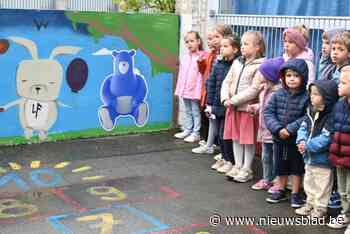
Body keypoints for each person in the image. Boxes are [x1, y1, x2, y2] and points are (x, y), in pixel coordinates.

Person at [221, 31, 266, 181]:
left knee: (247, 140)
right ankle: (238, 165)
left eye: (246, 44)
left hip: (247, 109)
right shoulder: (237, 62)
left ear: (257, 47)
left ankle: (247, 168)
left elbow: (254, 89)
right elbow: (227, 81)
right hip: (232, 108)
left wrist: (233, 101)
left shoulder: (261, 66)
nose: (242, 47)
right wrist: (225, 98)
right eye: (242, 44)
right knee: (235, 138)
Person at [264, 59, 309, 208]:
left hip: (296, 139)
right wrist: (278, 129)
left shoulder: (306, 97)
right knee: (280, 166)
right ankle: (280, 189)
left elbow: (306, 116)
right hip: (279, 139)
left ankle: (296, 193)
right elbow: (268, 112)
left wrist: (290, 129)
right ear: (283, 77)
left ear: (303, 78)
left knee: (297, 167)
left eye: (296, 76)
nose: (291, 78)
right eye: (288, 75)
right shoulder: (278, 94)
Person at [196, 35, 240, 173]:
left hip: (228, 105)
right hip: (217, 104)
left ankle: (231, 161)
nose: (222, 49)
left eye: (225, 46)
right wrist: (209, 103)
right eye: (221, 46)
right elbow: (211, 82)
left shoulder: (236, 65)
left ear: (235, 49)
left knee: (225, 135)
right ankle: (225, 158)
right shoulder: (219, 63)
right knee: (221, 135)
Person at [295, 79, 338, 218]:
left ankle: (320, 209)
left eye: (316, 94)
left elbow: (326, 138)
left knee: (322, 186)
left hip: (323, 159)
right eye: (311, 93)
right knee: (309, 182)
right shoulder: (310, 111)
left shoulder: (331, 116)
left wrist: (307, 145)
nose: (312, 97)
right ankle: (310, 203)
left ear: (327, 97)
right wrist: (301, 140)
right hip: (308, 157)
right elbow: (303, 127)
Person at [248, 57, 284, 190]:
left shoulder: (278, 92)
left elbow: (274, 110)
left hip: (272, 132)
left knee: (275, 158)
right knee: (266, 157)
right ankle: (267, 178)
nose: (260, 76)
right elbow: (265, 106)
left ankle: (276, 180)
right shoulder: (265, 90)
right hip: (264, 131)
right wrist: (256, 108)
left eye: (263, 74)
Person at [197, 25, 233, 147]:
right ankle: (208, 142)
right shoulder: (211, 54)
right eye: (211, 38)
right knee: (209, 117)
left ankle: (214, 145)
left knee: (218, 121)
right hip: (209, 90)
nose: (213, 40)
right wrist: (200, 62)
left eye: (217, 37)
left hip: (220, 94)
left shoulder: (227, 59)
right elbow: (206, 73)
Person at [328, 66, 350, 231]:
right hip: (340, 156)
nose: (338, 85)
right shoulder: (339, 105)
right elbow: (333, 127)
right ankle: (346, 214)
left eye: (343, 83)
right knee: (342, 190)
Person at [174, 31, 204, 142]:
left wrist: (198, 91)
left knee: (195, 111)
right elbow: (181, 74)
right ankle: (188, 129)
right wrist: (180, 88)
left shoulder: (202, 57)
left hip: (194, 90)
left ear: (198, 41)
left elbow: (200, 76)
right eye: (187, 42)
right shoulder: (185, 57)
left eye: (192, 41)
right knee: (187, 110)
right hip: (185, 89)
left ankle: (196, 133)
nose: (189, 44)